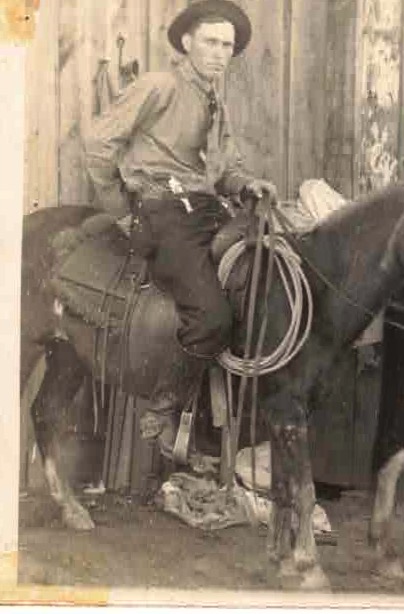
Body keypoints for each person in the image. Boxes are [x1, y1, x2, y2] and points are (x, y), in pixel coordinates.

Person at [84, 0, 278, 458]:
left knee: (258, 289)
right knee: (211, 318)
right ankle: (163, 409)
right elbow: (97, 142)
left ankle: (227, 432)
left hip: (206, 210)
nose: (219, 53)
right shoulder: (159, 86)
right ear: (187, 42)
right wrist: (122, 212)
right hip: (164, 213)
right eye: (210, 42)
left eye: (227, 45)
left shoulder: (215, 101)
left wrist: (246, 184)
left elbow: (223, 171)